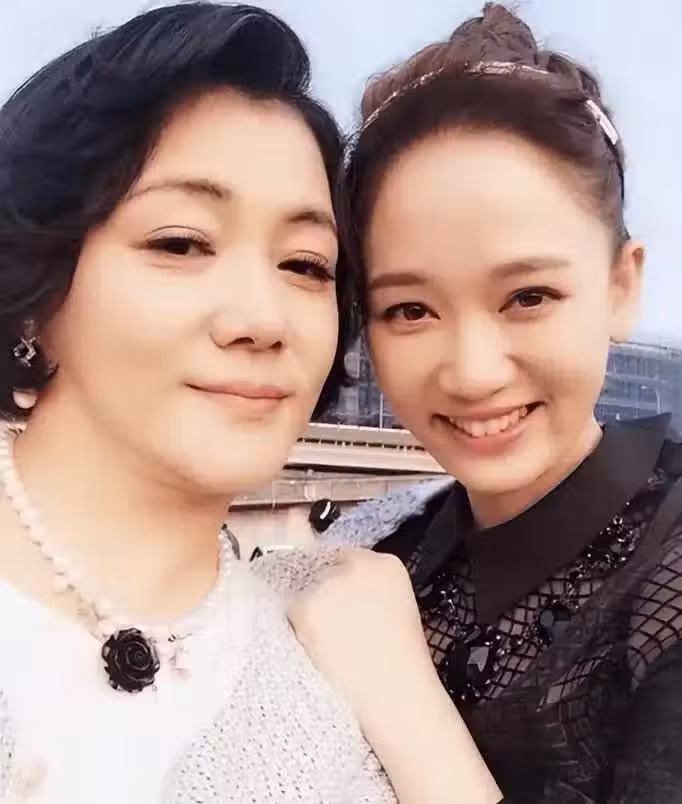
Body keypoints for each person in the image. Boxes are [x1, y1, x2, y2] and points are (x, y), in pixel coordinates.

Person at [0, 4, 503, 803]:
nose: (263, 320)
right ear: (34, 288)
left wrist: (423, 736)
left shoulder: (344, 664)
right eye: (180, 243)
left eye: (305, 265)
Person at [322, 3, 682, 802]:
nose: (473, 373)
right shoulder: (378, 548)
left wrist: (402, 701)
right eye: (410, 309)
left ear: (621, 286)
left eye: (528, 296)